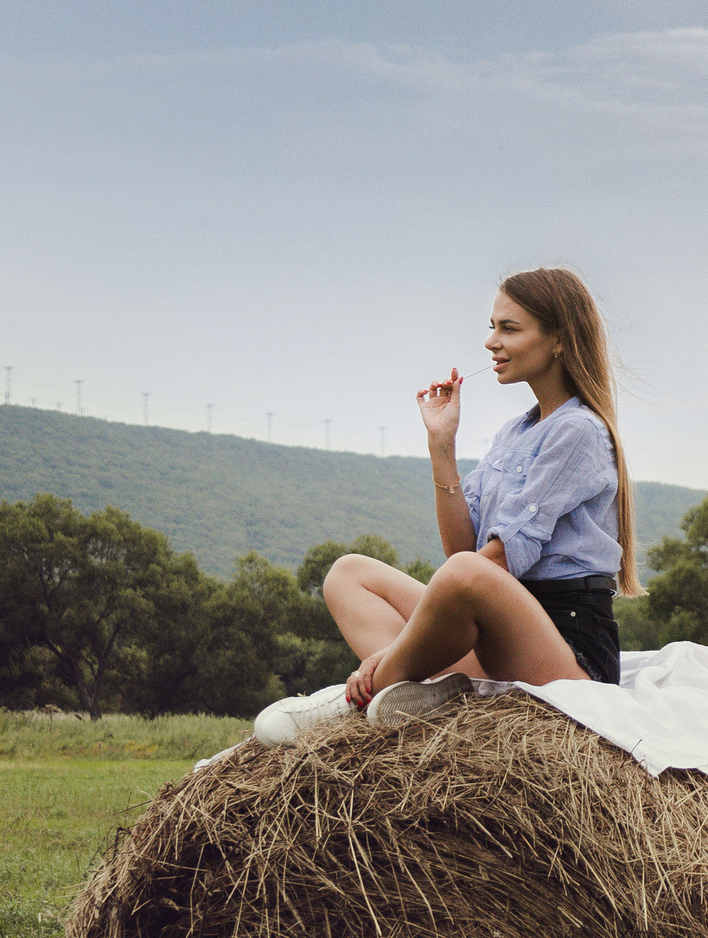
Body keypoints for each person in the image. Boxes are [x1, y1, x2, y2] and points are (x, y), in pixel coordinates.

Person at [253, 266, 639, 742]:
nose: (491, 342)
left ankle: (369, 690)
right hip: (499, 633)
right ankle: (424, 688)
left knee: (464, 574)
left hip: (565, 653)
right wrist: (442, 445)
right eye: (492, 327)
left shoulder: (578, 430)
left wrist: (392, 652)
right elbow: (462, 548)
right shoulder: (515, 432)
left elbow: (489, 563)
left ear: (559, 339)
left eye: (509, 328)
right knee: (348, 573)